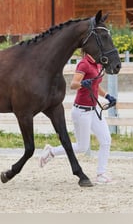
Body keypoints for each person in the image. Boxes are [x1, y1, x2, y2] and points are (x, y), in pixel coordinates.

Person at [39, 52, 117, 184]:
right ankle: (51, 151)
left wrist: (107, 96)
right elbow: (73, 84)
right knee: (82, 147)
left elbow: (96, 85)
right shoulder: (84, 64)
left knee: (106, 140)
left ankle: (101, 174)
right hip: (82, 111)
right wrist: (82, 83)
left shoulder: (97, 63)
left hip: (94, 110)